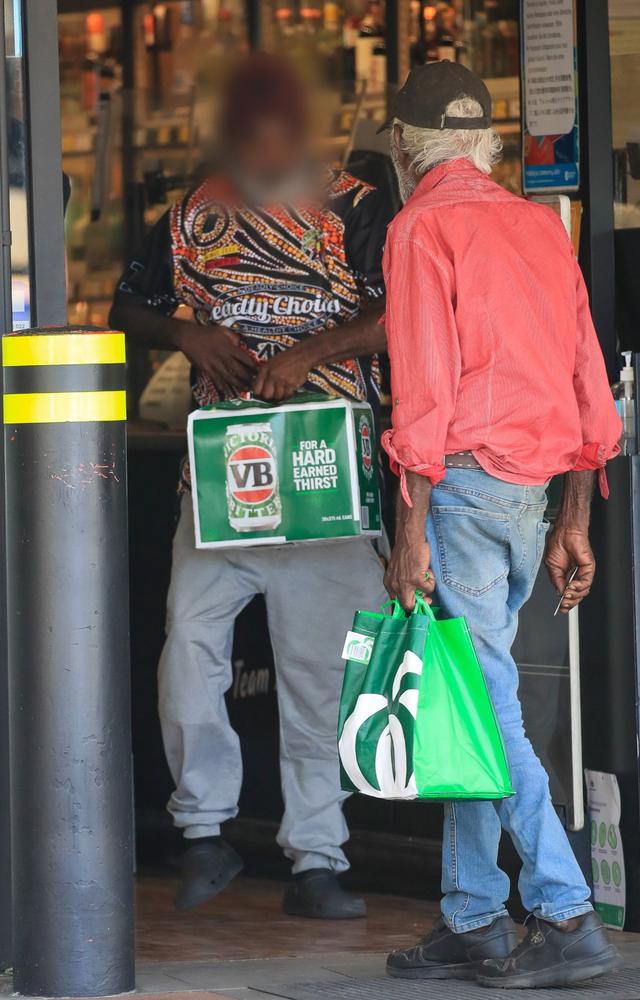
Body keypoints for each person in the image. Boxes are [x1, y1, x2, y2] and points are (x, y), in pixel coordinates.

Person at [110, 54, 389, 919]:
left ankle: (316, 859)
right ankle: (202, 830)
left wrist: (308, 353)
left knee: (315, 679)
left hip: (329, 475)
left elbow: (401, 314)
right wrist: (187, 338)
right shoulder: (194, 212)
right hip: (222, 480)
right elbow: (125, 308)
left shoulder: (359, 207)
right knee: (187, 649)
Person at [379, 61, 623, 988]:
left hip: (464, 491)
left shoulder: (419, 228)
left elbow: (426, 398)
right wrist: (574, 521)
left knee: (482, 710)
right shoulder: (537, 224)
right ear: (486, 143)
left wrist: (410, 532)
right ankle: (474, 916)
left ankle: (564, 913)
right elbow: (587, 387)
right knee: (468, 694)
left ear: (403, 147)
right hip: (532, 500)